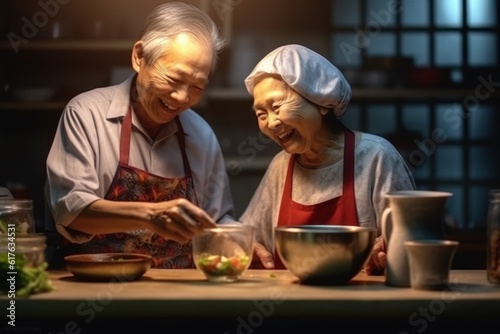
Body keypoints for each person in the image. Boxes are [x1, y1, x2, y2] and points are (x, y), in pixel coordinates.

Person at [44, 2, 235, 269]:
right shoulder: (86, 113)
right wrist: (149, 215)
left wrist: (239, 239)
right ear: (139, 57)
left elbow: (217, 220)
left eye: (196, 87)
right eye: (173, 79)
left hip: (178, 292)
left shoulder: (201, 134)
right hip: (91, 284)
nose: (182, 97)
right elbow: (70, 209)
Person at [239, 44, 416, 275]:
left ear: (321, 101)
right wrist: (243, 245)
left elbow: (414, 242)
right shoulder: (280, 166)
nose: (271, 123)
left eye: (277, 106)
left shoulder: (376, 157)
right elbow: (247, 238)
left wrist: (387, 251)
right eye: (261, 114)